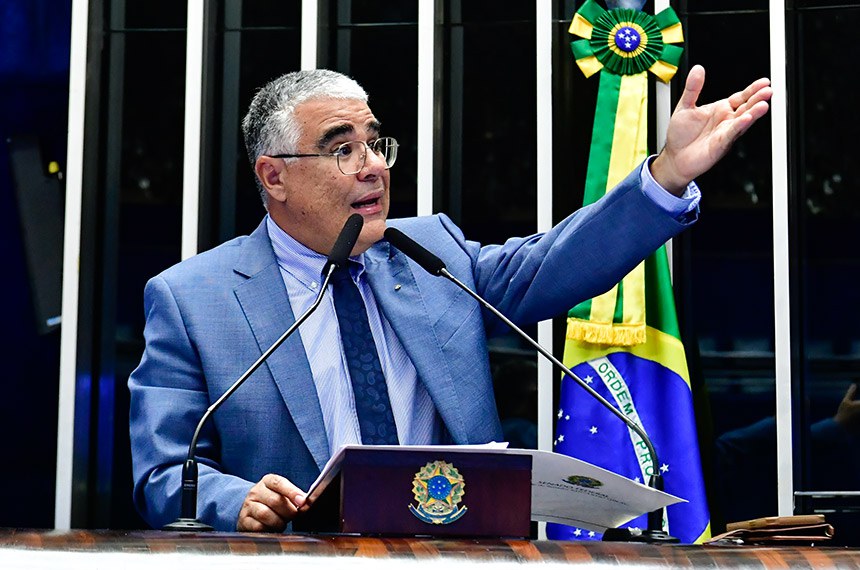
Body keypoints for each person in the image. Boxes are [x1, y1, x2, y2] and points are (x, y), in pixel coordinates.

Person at [129, 66, 772, 532]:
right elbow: (164, 475)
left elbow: (559, 263)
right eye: (341, 149)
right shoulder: (194, 300)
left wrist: (666, 176)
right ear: (274, 176)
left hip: (455, 556)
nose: (372, 166)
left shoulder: (429, 254)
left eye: (375, 144)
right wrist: (232, 501)